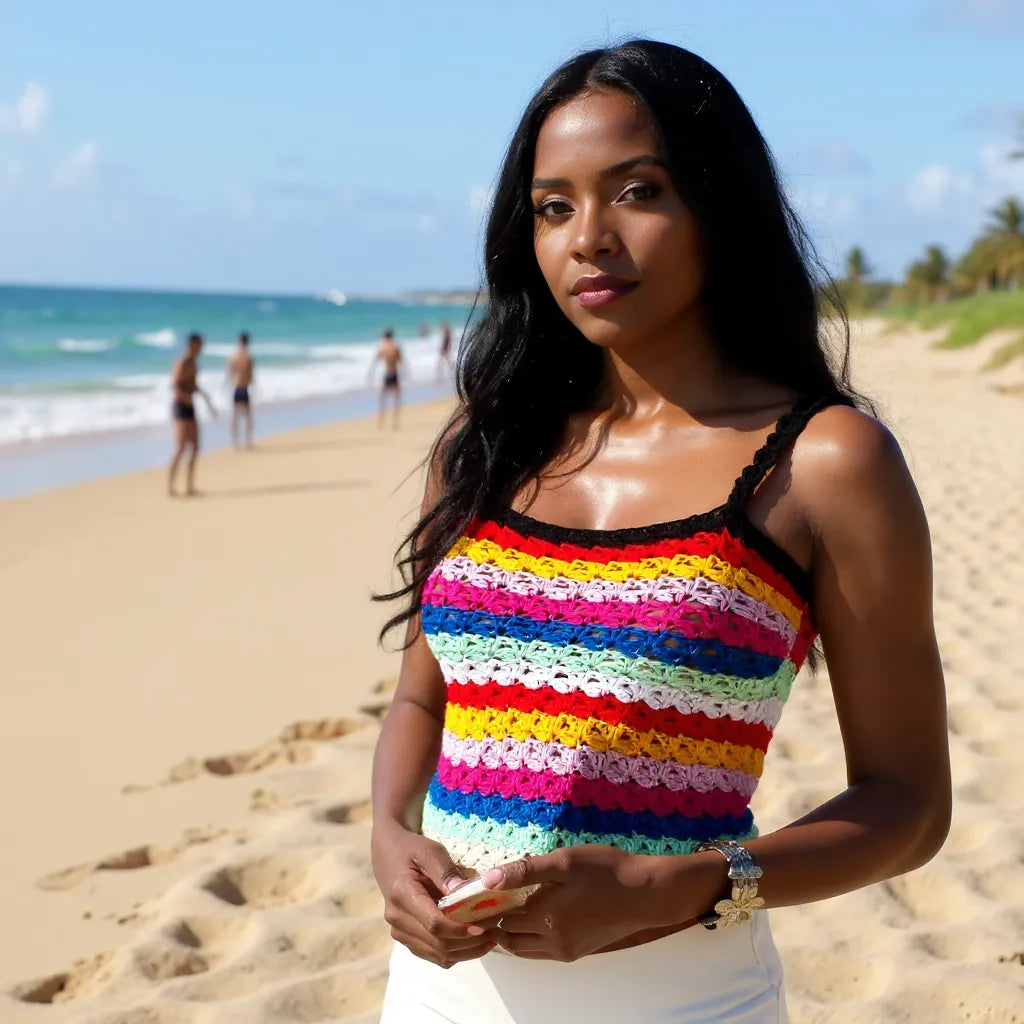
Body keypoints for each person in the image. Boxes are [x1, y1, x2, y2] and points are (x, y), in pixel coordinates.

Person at [369, 41, 951, 1023]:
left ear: (719, 204)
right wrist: (389, 835)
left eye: (636, 192)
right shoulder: (487, 448)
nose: (588, 238)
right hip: (438, 996)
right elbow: (422, 697)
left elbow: (910, 805)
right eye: (553, 207)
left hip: (684, 999)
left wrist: (682, 885)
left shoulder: (824, 464)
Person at [168, 332, 215, 496]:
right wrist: (185, 397)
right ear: (192, 345)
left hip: (190, 408)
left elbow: (193, 385)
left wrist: (205, 397)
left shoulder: (194, 364)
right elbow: (175, 386)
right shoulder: (181, 363)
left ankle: (189, 486)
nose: (201, 348)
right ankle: (171, 487)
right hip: (180, 408)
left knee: (195, 447)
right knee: (181, 448)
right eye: (199, 345)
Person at [226, 330, 255, 449]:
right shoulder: (248, 357)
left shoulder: (233, 356)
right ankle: (247, 440)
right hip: (244, 388)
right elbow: (251, 375)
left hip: (236, 387)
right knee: (247, 416)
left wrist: (228, 385)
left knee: (235, 416)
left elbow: (229, 373)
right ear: (247, 342)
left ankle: (234, 441)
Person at [372, 327, 403, 429]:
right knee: (396, 399)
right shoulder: (395, 347)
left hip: (387, 374)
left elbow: (377, 360)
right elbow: (401, 361)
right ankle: (395, 422)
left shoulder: (383, 347)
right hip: (395, 374)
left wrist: (370, 373)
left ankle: (381, 421)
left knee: (382, 399)